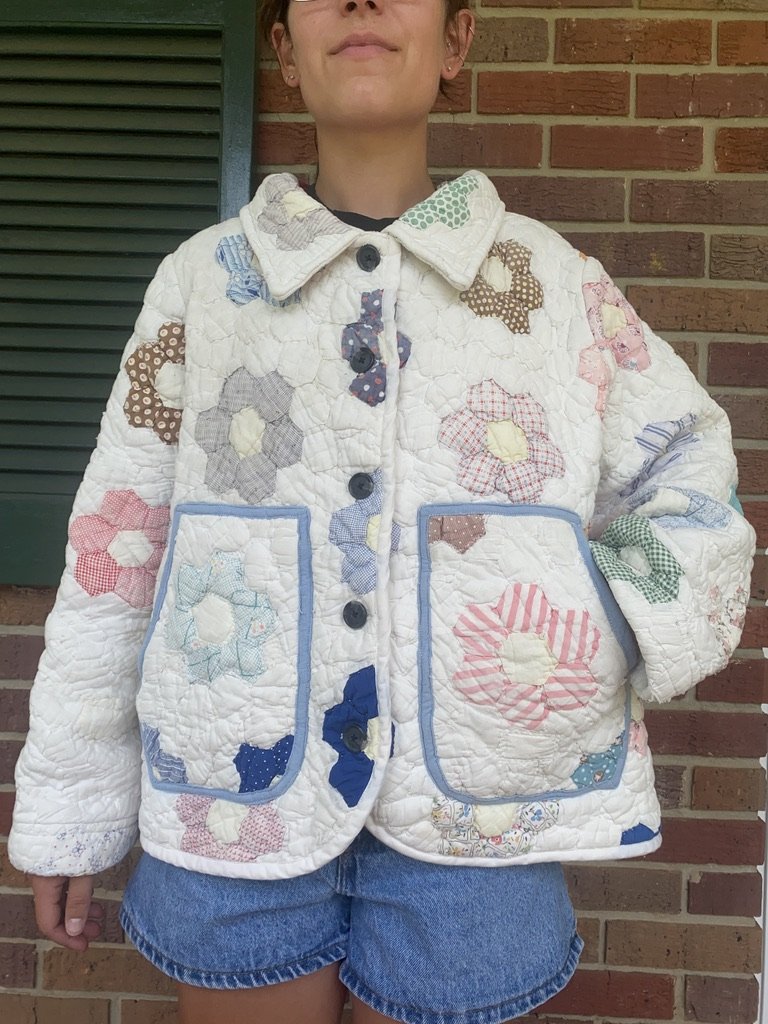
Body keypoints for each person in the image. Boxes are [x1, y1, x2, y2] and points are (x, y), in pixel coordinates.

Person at [9, 0, 755, 1022]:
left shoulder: (552, 288)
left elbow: (693, 476)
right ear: (282, 46)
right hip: (238, 807)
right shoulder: (203, 287)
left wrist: (604, 624)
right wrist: (70, 804)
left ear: (457, 40)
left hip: (481, 824)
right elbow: (114, 551)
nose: (359, 0)